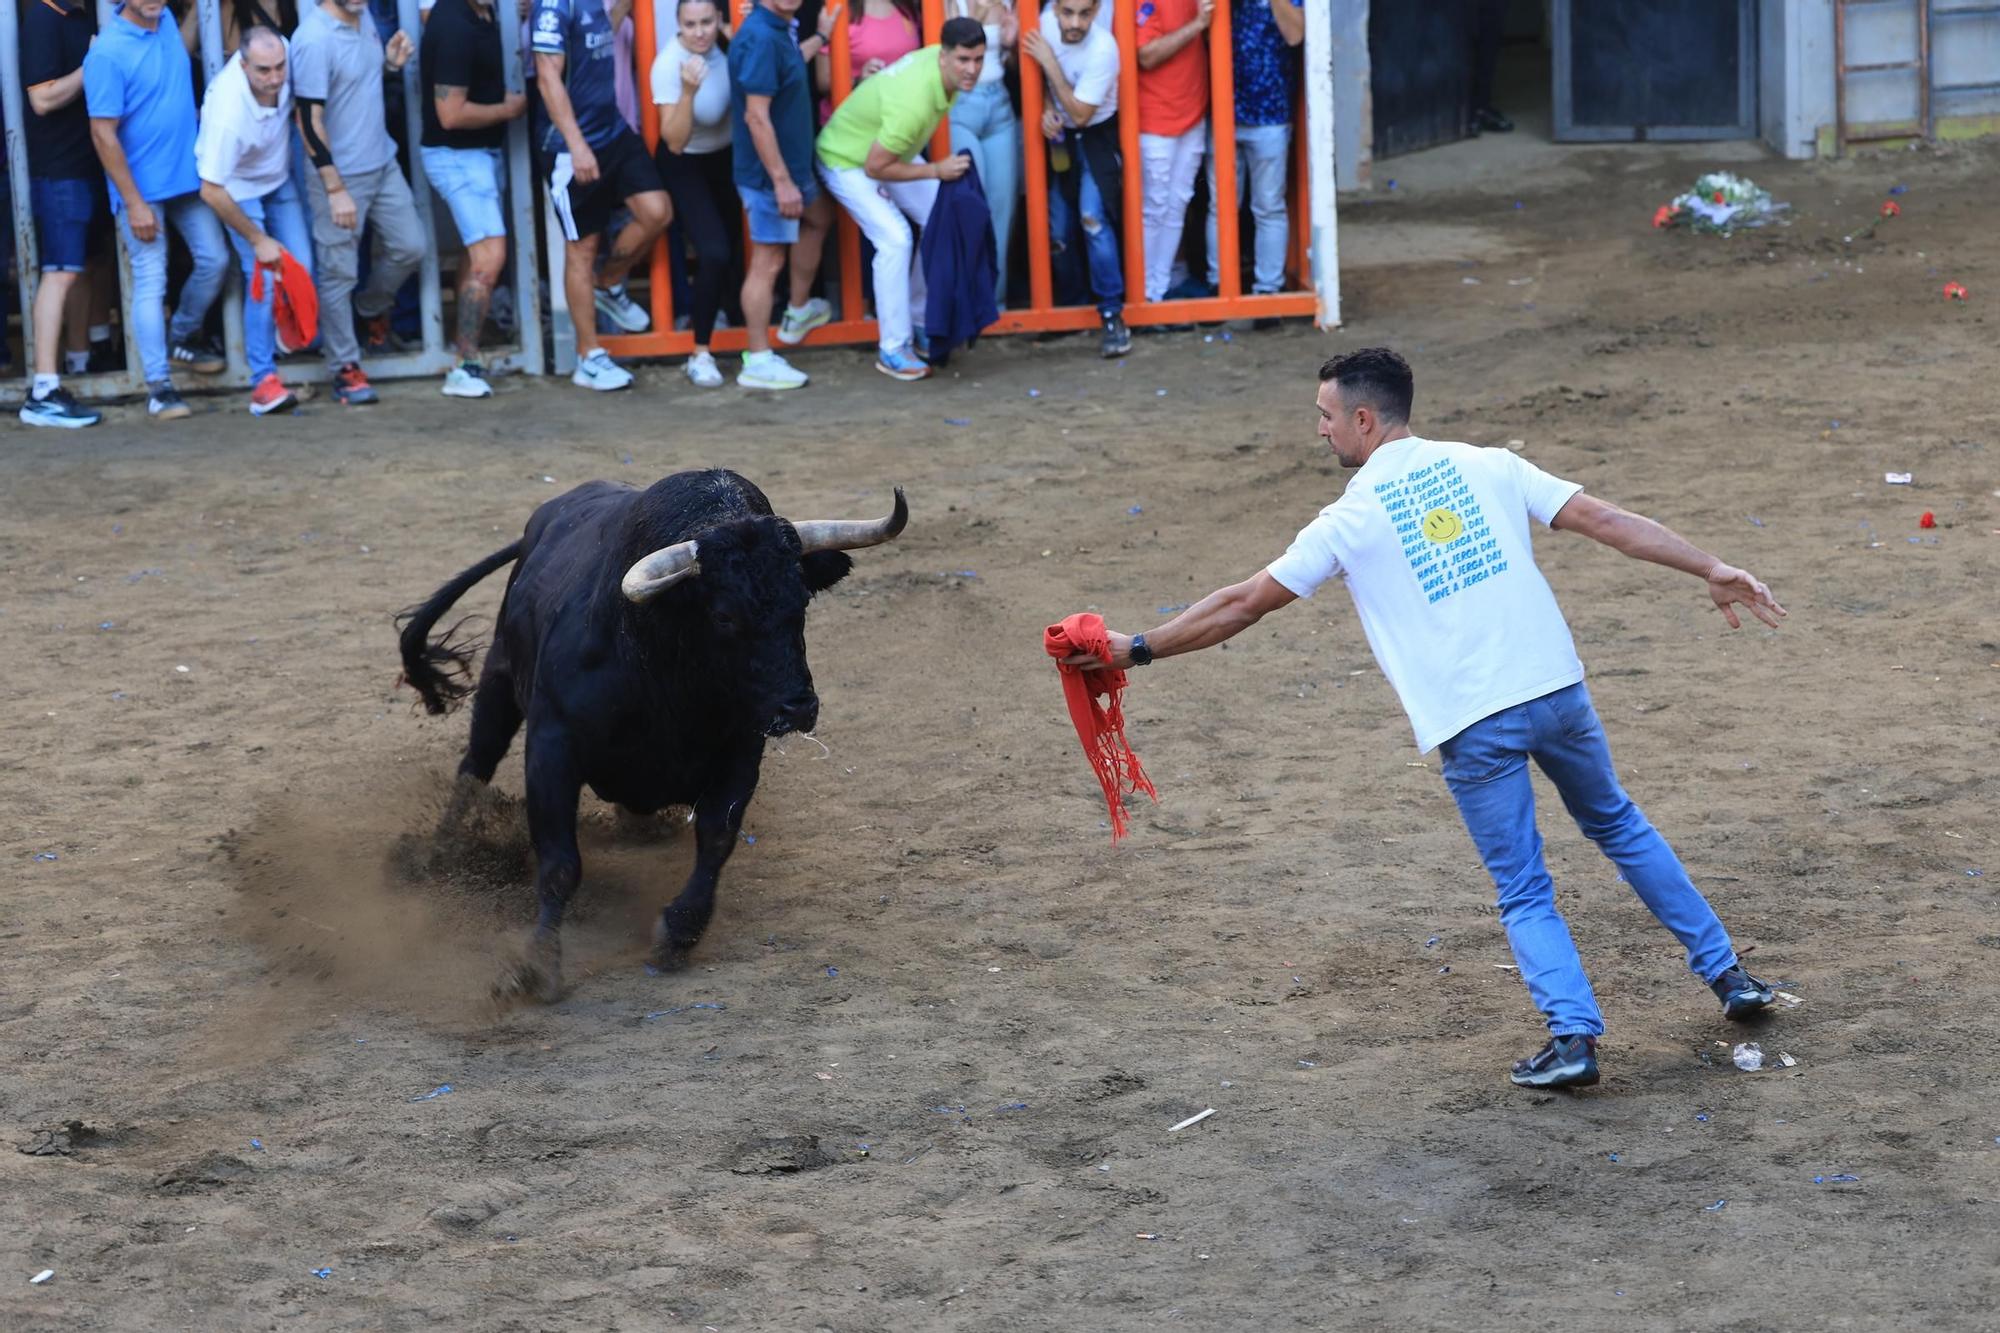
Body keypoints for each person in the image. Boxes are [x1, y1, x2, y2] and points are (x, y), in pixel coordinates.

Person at [1059, 348, 1786, 1091]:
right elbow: (1605, 520)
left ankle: (1573, 1037)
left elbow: (1243, 602)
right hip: (1554, 688)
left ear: (1364, 419)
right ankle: (1731, 978)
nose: (1321, 431)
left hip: (1474, 721)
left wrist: (1138, 648)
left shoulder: (1348, 518)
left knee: (1525, 886)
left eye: (1326, 416)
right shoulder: (1491, 463)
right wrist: (1708, 566)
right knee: (1621, 826)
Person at [85, 0, 233, 421]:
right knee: (151, 280)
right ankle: (159, 386)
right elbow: (102, 134)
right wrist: (133, 202)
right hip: (142, 190)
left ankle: (182, 334)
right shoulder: (107, 52)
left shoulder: (164, 20)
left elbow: (178, 50)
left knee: (215, 259)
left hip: (185, 178)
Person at [816, 22, 983, 382]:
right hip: (846, 160)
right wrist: (937, 169)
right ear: (944, 57)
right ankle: (893, 347)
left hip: (883, 152)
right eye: (963, 59)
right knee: (895, 240)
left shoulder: (940, 70)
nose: (971, 69)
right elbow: (877, 167)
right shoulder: (915, 100)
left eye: (978, 59)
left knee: (940, 217)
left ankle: (920, 321)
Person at [532, 0, 673, 391]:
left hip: (613, 133)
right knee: (582, 248)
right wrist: (576, 146)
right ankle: (589, 357)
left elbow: (604, 32)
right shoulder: (552, 8)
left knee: (656, 212)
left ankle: (608, 283)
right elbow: (547, 76)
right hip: (568, 147)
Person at [291, 0, 426, 405]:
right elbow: (307, 120)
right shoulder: (313, 39)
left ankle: (369, 310)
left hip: (381, 162)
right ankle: (345, 369)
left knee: (411, 246)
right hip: (340, 174)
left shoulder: (363, 17)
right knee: (338, 273)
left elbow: (352, 85)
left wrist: (388, 65)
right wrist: (334, 188)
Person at [196, 27, 314, 416]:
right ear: (243, 65)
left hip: (278, 177)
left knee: (301, 267)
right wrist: (257, 238)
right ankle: (263, 382)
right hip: (238, 190)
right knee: (262, 275)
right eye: (264, 71)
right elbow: (211, 190)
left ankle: (279, 336)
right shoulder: (228, 111)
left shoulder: (285, 54)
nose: (276, 78)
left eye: (280, 67)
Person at [729, 0, 838, 390]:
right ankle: (757, 360)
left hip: (791, 169)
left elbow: (789, 62)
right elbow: (756, 117)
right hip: (769, 175)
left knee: (819, 218)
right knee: (768, 261)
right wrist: (780, 182)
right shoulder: (761, 36)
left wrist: (822, 37)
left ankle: (798, 310)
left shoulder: (777, 29)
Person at [420, 0, 527, 398]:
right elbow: (450, 114)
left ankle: (463, 353)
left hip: (476, 155)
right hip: (458, 158)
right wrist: (508, 109)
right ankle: (464, 363)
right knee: (488, 259)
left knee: (476, 253)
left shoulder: (483, 14)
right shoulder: (453, 25)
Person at [1022, 0, 1129, 357]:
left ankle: (1112, 313)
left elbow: (1082, 114)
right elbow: (1028, 74)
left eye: (1084, 14)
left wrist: (1050, 63)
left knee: (1093, 220)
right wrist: (1046, 107)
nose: (1074, 22)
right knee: (1057, 229)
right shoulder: (1043, 24)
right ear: (1055, 10)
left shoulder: (1104, 47)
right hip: (1060, 139)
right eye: (1067, 12)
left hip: (1096, 136)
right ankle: (1071, 306)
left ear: (1097, 11)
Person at [20, 0, 105, 428]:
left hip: (85, 167)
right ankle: (43, 392)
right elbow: (42, 99)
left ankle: (78, 366)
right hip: (57, 170)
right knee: (60, 272)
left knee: (85, 266)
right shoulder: (41, 17)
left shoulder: (83, 16)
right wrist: (94, 63)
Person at [650, 0, 744, 388]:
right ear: (678, 25)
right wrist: (689, 92)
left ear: (719, 19)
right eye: (691, 24)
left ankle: (733, 324)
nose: (700, 31)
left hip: (723, 158)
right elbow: (672, 140)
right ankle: (700, 351)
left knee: (736, 249)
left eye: (707, 22)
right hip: (684, 160)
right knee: (713, 250)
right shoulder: (668, 64)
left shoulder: (725, 43)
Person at [1206, 0, 1300, 308]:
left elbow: (1295, 35)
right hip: (1222, 114)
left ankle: (1267, 293)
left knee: (1269, 206)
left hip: (1270, 117)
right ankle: (1218, 286)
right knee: (1221, 206)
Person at [1134, 0, 1209, 309]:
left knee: (1177, 203)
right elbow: (1146, 55)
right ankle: (1147, 295)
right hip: (1155, 119)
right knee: (1155, 207)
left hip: (1192, 114)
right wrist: (1198, 25)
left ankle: (1159, 288)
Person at [944, 0, 1016, 311]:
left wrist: (1013, 45)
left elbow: (1013, 61)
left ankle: (993, 302)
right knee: (971, 203)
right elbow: (943, 53)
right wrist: (975, 20)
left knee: (1003, 206)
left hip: (999, 102)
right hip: (961, 104)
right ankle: (966, 302)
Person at [815, 0, 920, 122]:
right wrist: (858, 81)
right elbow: (823, 81)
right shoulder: (838, 7)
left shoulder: (907, 6)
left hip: (904, 121)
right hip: (855, 124)